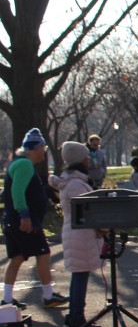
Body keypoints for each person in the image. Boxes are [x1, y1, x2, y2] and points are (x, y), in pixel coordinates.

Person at [1, 128, 70, 309]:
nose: (44, 152)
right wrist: (24, 215)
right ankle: (48, 295)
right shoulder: (24, 164)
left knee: (17, 257)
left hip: (11, 219)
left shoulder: (17, 163)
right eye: (43, 148)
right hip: (23, 221)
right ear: (35, 148)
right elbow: (17, 192)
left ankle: (7, 300)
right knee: (43, 253)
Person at [49, 141, 104, 327]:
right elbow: (88, 212)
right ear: (79, 160)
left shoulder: (73, 181)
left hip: (79, 235)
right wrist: (103, 227)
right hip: (80, 236)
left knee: (80, 276)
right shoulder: (75, 185)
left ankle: (74, 318)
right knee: (80, 278)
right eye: (86, 156)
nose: (89, 159)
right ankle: (76, 320)